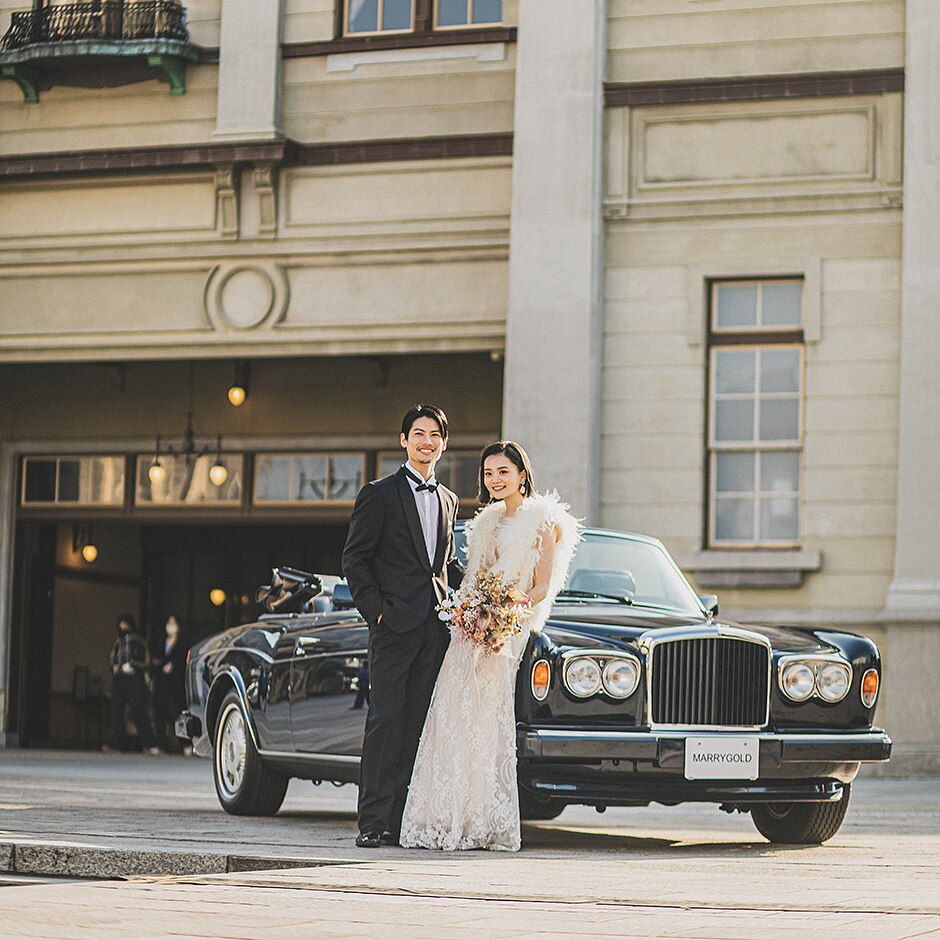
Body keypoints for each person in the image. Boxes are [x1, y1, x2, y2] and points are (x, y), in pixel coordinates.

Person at [400, 441, 580, 852]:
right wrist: (467, 610)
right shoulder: (485, 523)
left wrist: (501, 609)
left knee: (486, 721)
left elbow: (540, 588)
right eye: (488, 473)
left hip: (506, 632)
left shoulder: (544, 521)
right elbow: (471, 579)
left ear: (521, 474)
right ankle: (443, 814)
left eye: (503, 471)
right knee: (451, 713)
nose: (495, 480)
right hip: (469, 630)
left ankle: (479, 818)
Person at [342, 404, 460, 848]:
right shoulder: (380, 493)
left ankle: (398, 820)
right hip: (392, 627)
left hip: (435, 627)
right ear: (404, 440)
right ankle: (371, 822)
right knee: (385, 721)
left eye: (434, 435)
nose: (426, 441)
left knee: (416, 725)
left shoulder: (449, 499)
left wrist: (481, 596)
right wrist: (377, 612)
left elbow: (445, 564)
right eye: (418, 434)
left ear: (443, 443)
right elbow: (355, 559)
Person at [103, 613, 159, 755]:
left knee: (138, 711)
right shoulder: (118, 642)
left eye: (125, 624)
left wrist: (134, 665)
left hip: (135, 678)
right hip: (120, 679)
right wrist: (115, 668)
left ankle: (149, 743)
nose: (123, 627)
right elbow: (112, 659)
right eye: (121, 624)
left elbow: (145, 660)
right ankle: (112, 743)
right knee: (116, 711)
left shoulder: (138, 641)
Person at [151, 614, 186, 752]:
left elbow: (181, 661)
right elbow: (155, 660)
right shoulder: (161, 642)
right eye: (169, 623)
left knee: (175, 714)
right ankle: (161, 744)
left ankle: (183, 744)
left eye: (173, 623)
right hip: (161, 683)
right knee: (159, 714)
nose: (170, 626)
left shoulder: (182, 643)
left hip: (175, 683)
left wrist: (170, 666)